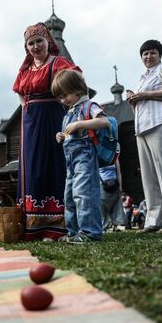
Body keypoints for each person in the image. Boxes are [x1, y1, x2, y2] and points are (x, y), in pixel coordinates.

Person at [12, 22, 81, 241]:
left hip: (52, 116)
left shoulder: (58, 62)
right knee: (32, 168)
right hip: (30, 122)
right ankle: (34, 226)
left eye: (39, 41)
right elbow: (19, 91)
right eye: (30, 43)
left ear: (47, 41)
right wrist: (25, 105)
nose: (35, 46)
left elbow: (76, 80)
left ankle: (58, 226)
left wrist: (64, 101)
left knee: (53, 164)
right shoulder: (25, 68)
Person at [126, 39, 162, 234]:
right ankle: (153, 220)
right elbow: (145, 101)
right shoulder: (143, 77)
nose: (148, 56)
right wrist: (134, 99)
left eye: (152, 53)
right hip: (142, 129)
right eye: (145, 54)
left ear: (159, 55)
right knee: (149, 177)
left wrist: (145, 95)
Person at [53, 69, 109, 244]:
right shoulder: (70, 111)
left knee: (84, 194)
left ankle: (90, 232)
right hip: (71, 161)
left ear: (77, 89)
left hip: (84, 157)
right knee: (69, 196)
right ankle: (73, 232)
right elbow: (69, 133)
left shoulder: (89, 106)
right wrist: (62, 136)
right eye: (60, 97)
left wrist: (79, 124)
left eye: (65, 95)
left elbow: (103, 122)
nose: (63, 100)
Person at [99, 161, 126, 232]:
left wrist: (120, 187)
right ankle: (104, 226)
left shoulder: (115, 158)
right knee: (103, 206)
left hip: (114, 184)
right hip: (103, 184)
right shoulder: (99, 158)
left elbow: (118, 173)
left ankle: (116, 225)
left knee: (116, 206)